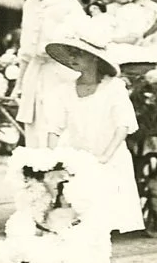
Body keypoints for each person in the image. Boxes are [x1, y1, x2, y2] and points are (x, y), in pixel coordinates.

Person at [44, 36, 144, 236]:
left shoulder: (113, 88)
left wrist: (106, 156)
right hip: (77, 155)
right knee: (73, 212)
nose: (73, 58)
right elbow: (54, 128)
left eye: (79, 54)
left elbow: (122, 125)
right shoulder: (64, 90)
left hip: (107, 155)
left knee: (100, 217)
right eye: (71, 54)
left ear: (95, 59)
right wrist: (51, 157)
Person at [12, 0, 88, 147]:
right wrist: (18, 84)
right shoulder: (30, 3)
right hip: (34, 74)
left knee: (55, 128)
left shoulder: (68, 4)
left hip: (60, 74)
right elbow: (26, 51)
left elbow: (81, 43)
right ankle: (35, 173)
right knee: (34, 129)